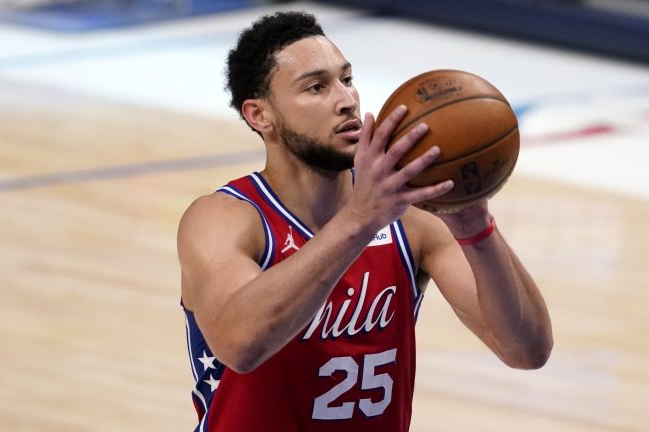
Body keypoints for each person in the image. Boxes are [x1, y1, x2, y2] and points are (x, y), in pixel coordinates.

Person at [177, 10, 553, 431]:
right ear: (259, 115)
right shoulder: (224, 218)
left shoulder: (411, 219)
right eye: (316, 87)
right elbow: (239, 344)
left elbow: (526, 350)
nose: (346, 100)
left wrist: (476, 229)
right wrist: (359, 220)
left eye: (347, 79)